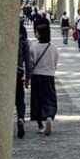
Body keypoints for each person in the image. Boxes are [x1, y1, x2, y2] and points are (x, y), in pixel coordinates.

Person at [28, 16, 60, 135]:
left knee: (37, 100)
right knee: (50, 98)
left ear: (40, 34)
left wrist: (28, 77)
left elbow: (31, 64)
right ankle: (49, 116)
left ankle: (40, 125)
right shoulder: (53, 48)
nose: (35, 33)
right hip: (49, 76)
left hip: (37, 76)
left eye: (36, 32)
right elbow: (55, 62)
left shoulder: (34, 48)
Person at [15, 7, 33, 139]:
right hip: (18, 71)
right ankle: (21, 117)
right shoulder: (23, 41)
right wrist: (28, 78)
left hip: (5, 74)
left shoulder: (4, 40)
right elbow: (28, 60)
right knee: (20, 98)